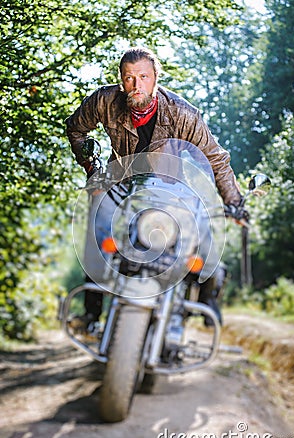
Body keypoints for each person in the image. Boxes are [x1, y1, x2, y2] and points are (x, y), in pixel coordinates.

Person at [65, 47, 245, 328]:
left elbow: (216, 159)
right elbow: (75, 129)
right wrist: (94, 171)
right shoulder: (105, 101)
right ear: (121, 80)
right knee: (99, 236)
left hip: (172, 190)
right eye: (129, 78)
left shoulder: (182, 113)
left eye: (144, 77)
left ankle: (208, 295)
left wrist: (234, 202)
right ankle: (92, 313)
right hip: (122, 184)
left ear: (156, 78)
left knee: (205, 233)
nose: (137, 85)